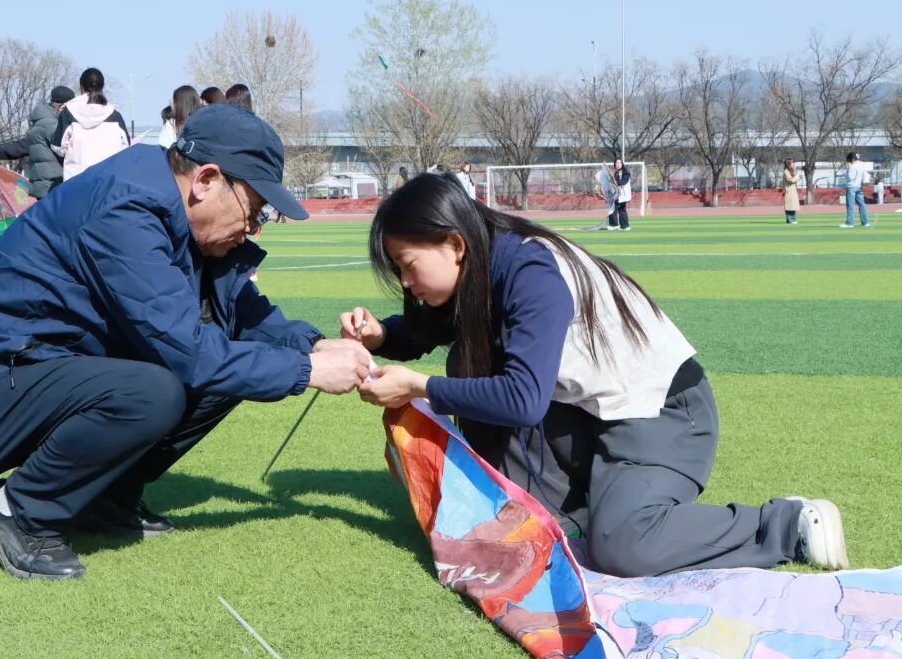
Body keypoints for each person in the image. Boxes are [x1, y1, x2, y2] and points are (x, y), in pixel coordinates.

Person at [0, 105, 371, 580]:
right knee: (155, 391)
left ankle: (103, 498)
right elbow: (190, 354)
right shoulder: (128, 209)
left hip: (50, 370)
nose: (253, 228)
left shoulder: (175, 208)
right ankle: (19, 513)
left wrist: (311, 345)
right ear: (206, 180)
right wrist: (307, 371)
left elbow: (237, 311)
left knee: (231, 368)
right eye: (254, 209)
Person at [339, 173, 848, 578]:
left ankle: (786, 525)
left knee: (623, 546)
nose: (405, 282)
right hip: (590, 414)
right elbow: (435, 327)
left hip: (662, 415)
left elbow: (523, 400)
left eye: (407, 265)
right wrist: (381, 336)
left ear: (454, 243)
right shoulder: (484, 260)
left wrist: (418, 385)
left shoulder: (530, 272)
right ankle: (573, 514)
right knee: (471, 369)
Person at [0, 86, 75, 198]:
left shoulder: (41, 124)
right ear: (61, 107)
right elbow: (73, 150)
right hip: (55, 187)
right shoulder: (52, 125)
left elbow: (20, 146)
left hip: (44, 189)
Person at [51, 68, 129, 181]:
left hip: (77, 180)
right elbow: (125, 146)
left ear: (81, 87)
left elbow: (58, 147)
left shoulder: (68, 112)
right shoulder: (115, 114)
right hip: (107, 180)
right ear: (102, 86)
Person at [840, 151, 871, 229]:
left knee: (850, 205)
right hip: (858, 186)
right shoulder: (862, 165)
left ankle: (850, 223)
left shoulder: (853, 166)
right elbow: (864, 176)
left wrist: (846, 174)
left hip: (851, 187)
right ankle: (865, 222)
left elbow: (850, 177)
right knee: (862, 204)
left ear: (852, 159)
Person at [608, 159, 632, 231]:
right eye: (617, 163)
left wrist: (616, 182)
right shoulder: (615, 173)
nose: (618, 164)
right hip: (616, 195)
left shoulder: (626, 172)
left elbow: (623, 181)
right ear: (615, 164)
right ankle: (625, 226)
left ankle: (614, 225)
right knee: (621, 210)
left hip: (622, 195)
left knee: (613, 208)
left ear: (622, 164)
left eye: (619, 163)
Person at [782, 158, 800, 224]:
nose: (793, 164)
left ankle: (792, 219)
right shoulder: (786, 171)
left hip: (793, 191)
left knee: (793, 206)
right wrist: (797, 176)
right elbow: (791, 180)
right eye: (792, 163)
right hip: (789, 191)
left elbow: (794, 179)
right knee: (790, 206)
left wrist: (799, 176)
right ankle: (791, 220)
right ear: (789, 163)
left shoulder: (791, 171)